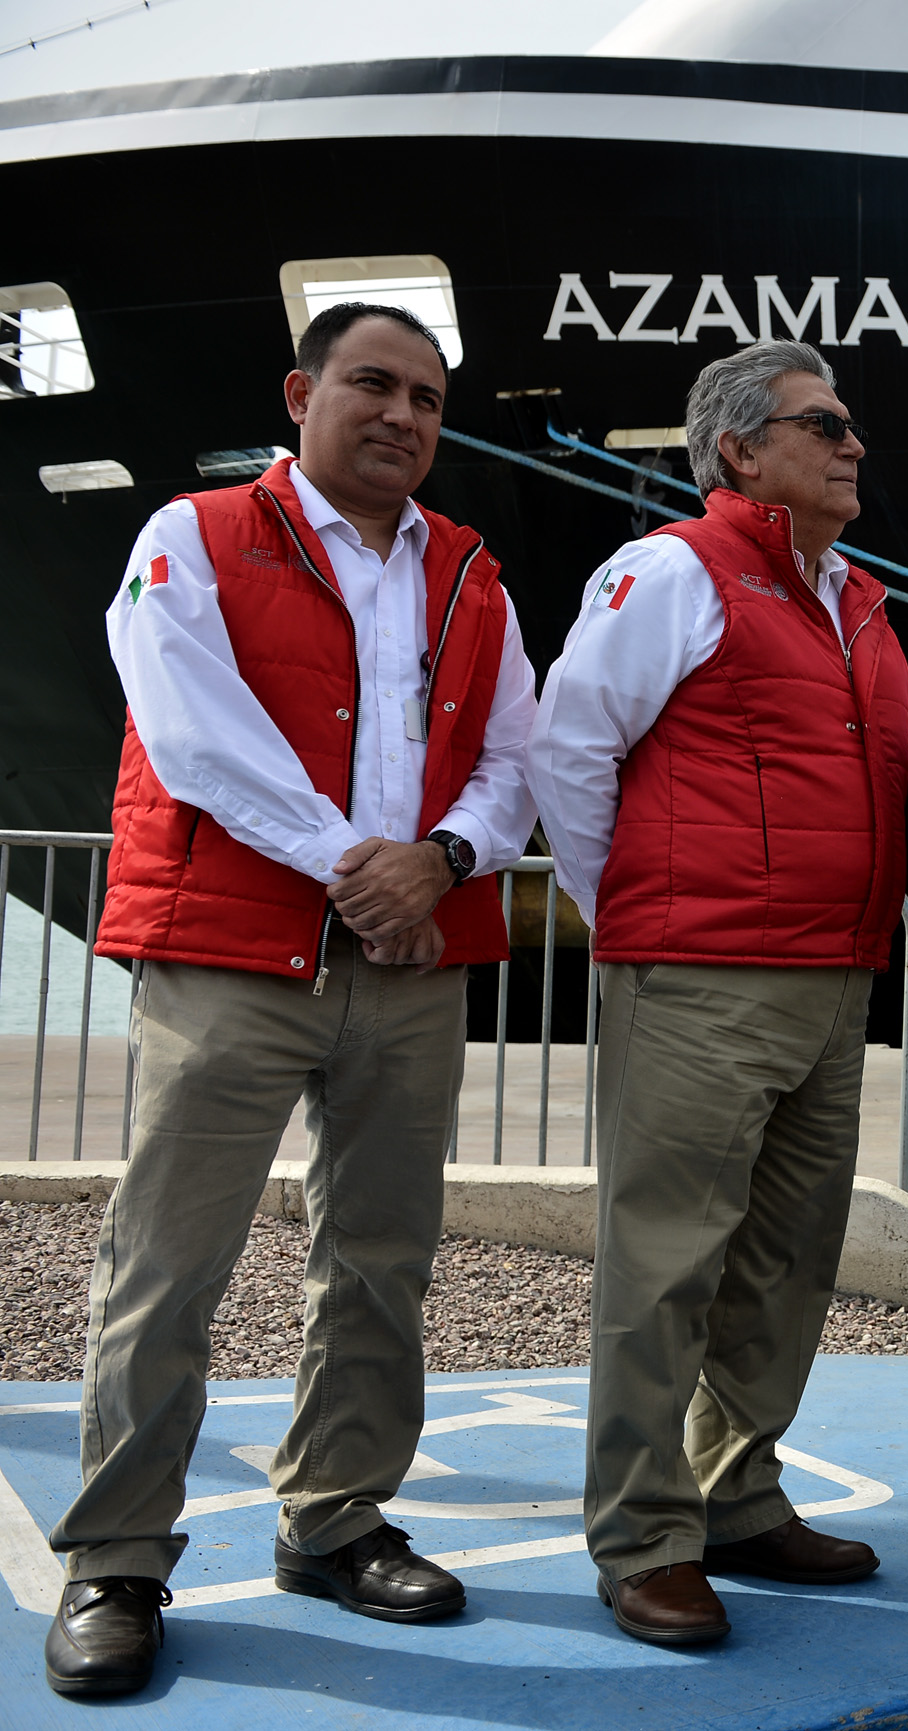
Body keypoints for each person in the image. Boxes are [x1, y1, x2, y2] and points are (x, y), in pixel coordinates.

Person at [49, 303, 536, 1697]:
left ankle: (335, 1519)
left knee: (382, 1255)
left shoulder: (469, 572)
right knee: (168, 1263)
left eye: (430, 399)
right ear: (300, 393)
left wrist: (439, 859)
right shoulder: (190, 538)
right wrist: (353, 865)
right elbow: (194, 730)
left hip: (408, 964)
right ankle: (119, 1555)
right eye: (375, 384)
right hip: (232, 957)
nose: (404, 415)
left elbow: (520, 751)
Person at [529, 340, 908, 1647]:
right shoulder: (671, 571)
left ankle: (734, 1489)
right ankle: (642, 1534)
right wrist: (632, 914)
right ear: (741, 450)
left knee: (788, 1259)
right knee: (667, 1261)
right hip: (698, 974)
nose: (852, 442)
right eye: (825, 422)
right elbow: (570, 743)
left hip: (832, 976)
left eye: (852, 423)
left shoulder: (853, 597)